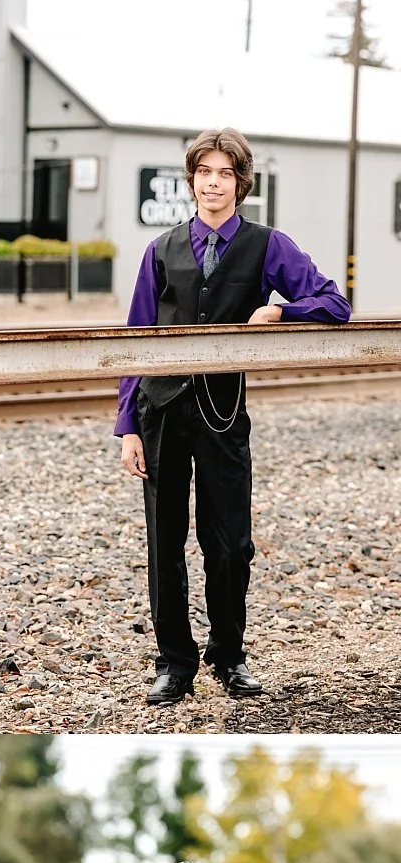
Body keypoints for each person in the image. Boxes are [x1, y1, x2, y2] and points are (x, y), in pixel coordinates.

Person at [115, 127, 348, 707]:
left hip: (223, 415)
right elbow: (136, 339)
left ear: (241, 183)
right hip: (161, 410)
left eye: (225, 174)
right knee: (164, 541)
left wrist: (282, 310)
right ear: (191, 180)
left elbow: (336, 304)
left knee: (230, 544)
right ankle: (174, 663)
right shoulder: (161, 249)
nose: (213, 184)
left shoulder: (268, 245)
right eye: (204, 173)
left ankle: (229, 653)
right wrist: (126, 427)